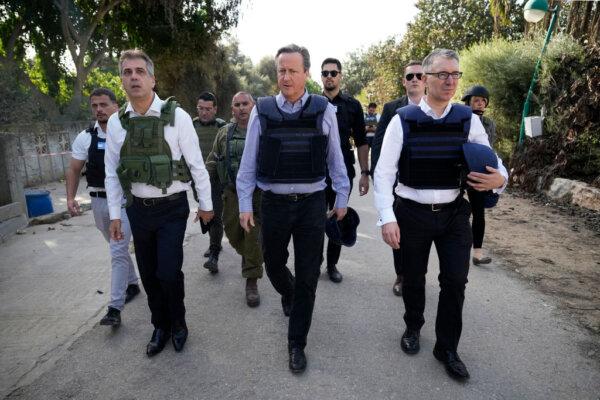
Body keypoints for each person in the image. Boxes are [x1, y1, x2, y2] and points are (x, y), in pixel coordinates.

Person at [374, 49, 508, 380]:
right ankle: (413, 327)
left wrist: (500, 179)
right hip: (412, 213)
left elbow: (494, 162)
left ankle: (447, 347)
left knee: (455, 282)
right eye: (442, 74)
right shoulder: (402, 119)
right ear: (428, 77)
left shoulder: (468, 119)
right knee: (413, 276)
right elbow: (383, 173)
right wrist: (386, 217)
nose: (450, 81)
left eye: (455, 75)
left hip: (453, 214)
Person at [237, 44, 349, 373]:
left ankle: (296, 343)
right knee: (273, 264)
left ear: (306, 74)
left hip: (312, 203)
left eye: (292, 70)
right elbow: (249, 163)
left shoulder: (323, 109)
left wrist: (341, 196)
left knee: (309, 276)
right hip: (273, 203)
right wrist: (246, 203)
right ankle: (290, 293)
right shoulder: (263, 110)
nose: (285, 76)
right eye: (281, 71)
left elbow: (335, 159)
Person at [105, 49, 214, 357]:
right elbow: (113, 174)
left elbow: (196, 165)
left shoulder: (176, 116)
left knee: (168, 272)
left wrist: (205, 205)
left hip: (172, 208)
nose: (134, 77)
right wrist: (115, 215)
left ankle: (178, 323)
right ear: (122, 80)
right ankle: (160, 326)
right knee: (150, 274)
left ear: (152, 79)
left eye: (140, 71)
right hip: (138, 210)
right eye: (127, 72)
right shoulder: (116, 123)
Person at [66, 88, 140, 327]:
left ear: (116, 106)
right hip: (98, 201)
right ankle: (132, 283)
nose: (99, 110)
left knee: (117, 251)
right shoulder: (85, 137)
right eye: (94, 106)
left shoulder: (129, 132)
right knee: (115, 247)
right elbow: (75, 169)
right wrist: (70, 198)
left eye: (104, 105)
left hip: (124, 200)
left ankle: (114, 307)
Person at [371, 60, 426, 297]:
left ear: (426, 80)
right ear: (404, 81)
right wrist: (377, 178)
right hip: (397, 184)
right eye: (410, 76)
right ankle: (402, 275)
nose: (414, 79)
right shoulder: (392, 108)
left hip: (426, 184)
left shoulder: (438, 107)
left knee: (423, 235)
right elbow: (378, 143)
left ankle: (418, 276)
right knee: (398, 232)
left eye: (419, 76)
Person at [205, 91, 263, 307]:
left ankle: (251, 280)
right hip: (231, 192)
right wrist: (200, 183)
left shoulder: (264, 129)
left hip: (258, 195)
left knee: (252, 234)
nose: (241, 108)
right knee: (233, 232)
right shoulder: (224, 133)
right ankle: (251, 255)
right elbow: (213, 160)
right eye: (237, 104)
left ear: (253, 105)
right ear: (232, 110)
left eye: (245, 104)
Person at [320, 57, 369, 283]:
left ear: (340, 76)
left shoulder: (352, 105)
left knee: (338, 216)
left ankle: (332, 265)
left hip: (342, 173)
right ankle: (313, 263)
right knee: (313, 219)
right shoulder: (312, 103)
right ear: (321, 77)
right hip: (316, 172)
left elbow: (361, 141)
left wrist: (365, 173)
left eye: (333, 73)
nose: (329, 76)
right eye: (325, 73)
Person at [461, 85, 497, 266]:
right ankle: (457, 246)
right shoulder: (461, 118)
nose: (481, 103)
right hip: (459, 169)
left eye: (484, 101)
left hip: (478, 171)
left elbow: (490, 150)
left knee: (479, 212)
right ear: (468, 101)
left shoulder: (490, 123)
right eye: (477, 100)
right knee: (455, 209)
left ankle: (477, 253)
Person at [193, 91, 227, 273]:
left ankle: (214, 254)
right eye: (201, 108)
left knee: (213, 215)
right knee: (205, 212)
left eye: (208, 109)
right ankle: (215, 243)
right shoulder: (190, 126)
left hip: (215, 180)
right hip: (196, 180)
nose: (204, 112)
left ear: (215, 109)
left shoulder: (223, 127)